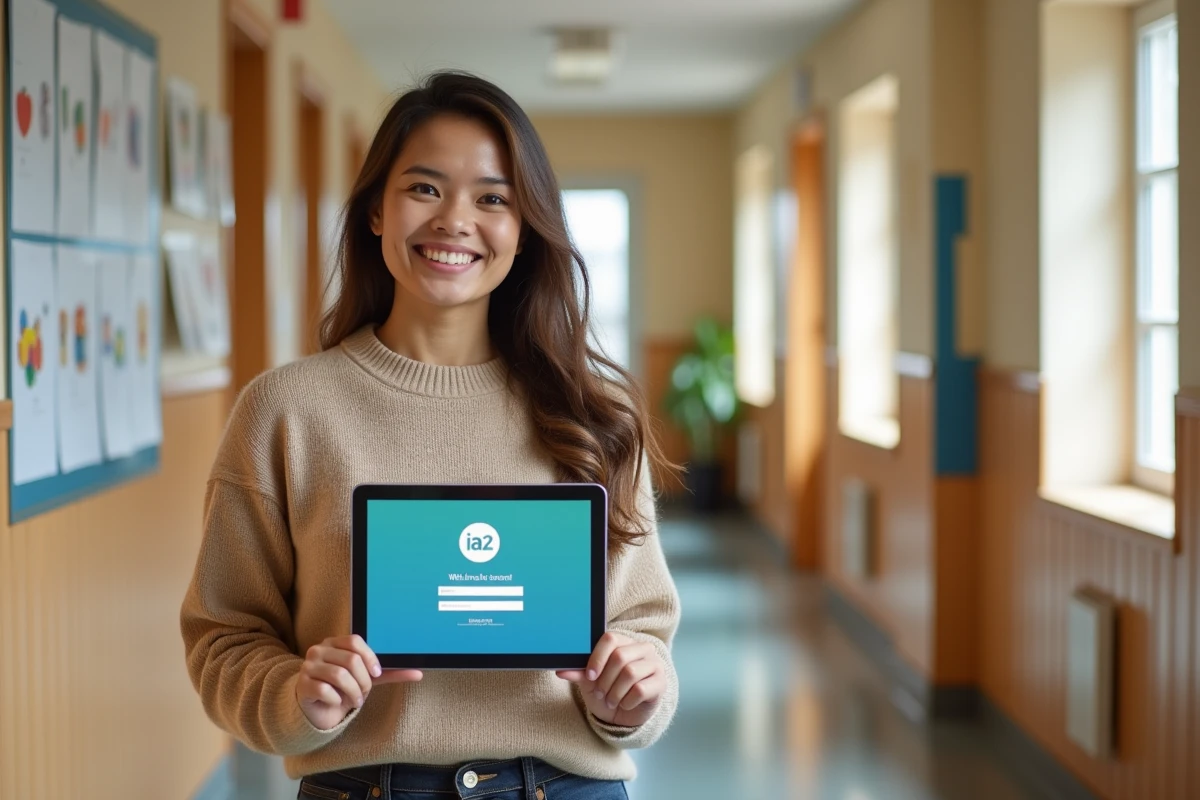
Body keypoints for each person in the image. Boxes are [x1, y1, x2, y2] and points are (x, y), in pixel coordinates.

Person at [180, 71, 681, 800]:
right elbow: (224, 640)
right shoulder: (284, 412)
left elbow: (644, 635)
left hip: (565, 785)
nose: (454, 220)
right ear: (377, 210)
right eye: (424, 188)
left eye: (492, 198)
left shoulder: (593, 412)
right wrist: (298, 696)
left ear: (523, 228)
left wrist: (632, 696)